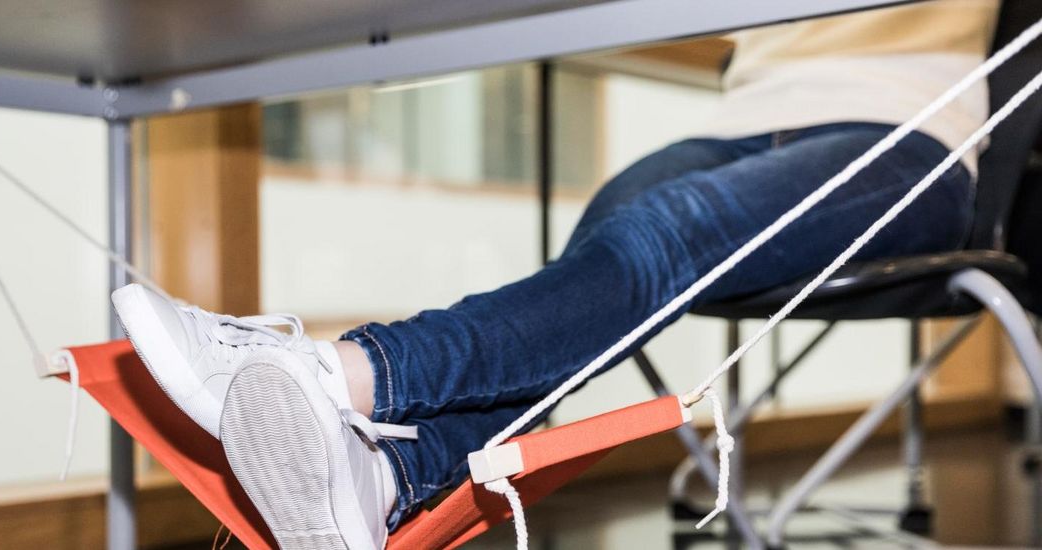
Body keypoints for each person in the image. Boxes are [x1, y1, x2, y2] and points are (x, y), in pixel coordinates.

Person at [111, 1, 1000, 548]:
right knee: (606, 249)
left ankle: (344, 373)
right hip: (745, 119)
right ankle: (388, 487)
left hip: (905, 134)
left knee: (663, 231)